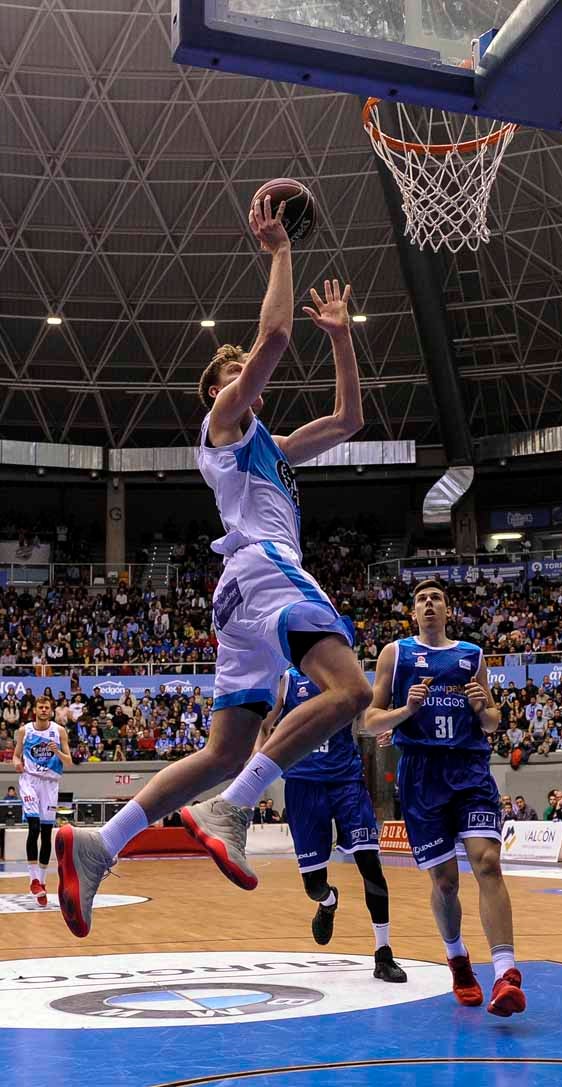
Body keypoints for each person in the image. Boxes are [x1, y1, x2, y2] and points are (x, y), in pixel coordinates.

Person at [54, 197, 369, 939]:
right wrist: (280, 250)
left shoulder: (275, 447)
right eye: (235, 370)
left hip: (237, 593)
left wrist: (342, 340)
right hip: (263, 568)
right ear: (222, 389)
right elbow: (274, 336)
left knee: (225, 747)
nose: (246, 370)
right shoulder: (224, 421)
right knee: (352, 688)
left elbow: (351, 419)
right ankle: (233, 806)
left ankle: (102, 845)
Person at [363, 578, 524, 1017]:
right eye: (421, 599)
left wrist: (482, 709)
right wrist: (407, 711)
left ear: (447, 609)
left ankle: (507, 973)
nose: (429, 603)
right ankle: (457, 958)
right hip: (421, 777)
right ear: (412, 611)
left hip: (469, 769)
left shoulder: (471, 655)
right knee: (446, 882)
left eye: (436, 598)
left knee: (488, 862)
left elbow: (492, 722)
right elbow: (371, 720)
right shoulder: (395, 655)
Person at [256, 667, 406, 982]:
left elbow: (373, 715)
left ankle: (383, 953)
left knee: (370, 864)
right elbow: (266, 726)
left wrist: (396, 727)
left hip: (346, 781)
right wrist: (256, 769)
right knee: (313, 885)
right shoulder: (286, 679)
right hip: (303, 784)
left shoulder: (346, 676)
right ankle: (328, 902)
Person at [13, 695, 72, 906]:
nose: (44, 710)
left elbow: (70, 762)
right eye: (41, 707)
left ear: (51, 710)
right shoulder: (25, 731)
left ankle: (43, 883)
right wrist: (16, 763)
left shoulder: (59, 731)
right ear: (35, 710)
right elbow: (16, 755)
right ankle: (33, 880)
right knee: (34, 826)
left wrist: (58, 752)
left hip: (50, 784)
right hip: (30, 781)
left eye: (47, 707)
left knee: (47, 832)